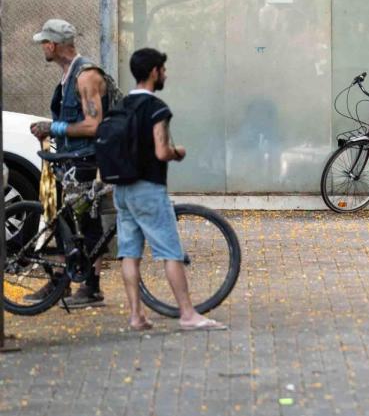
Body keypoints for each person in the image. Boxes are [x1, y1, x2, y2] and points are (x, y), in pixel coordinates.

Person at [114, 48, 227, 331]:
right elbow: (161, 151)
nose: (165, 74)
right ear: (154, 72)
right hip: (148, 189)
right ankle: (188, 314)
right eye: (163, 69)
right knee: (170, 252)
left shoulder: (121, 105)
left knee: (129, 253)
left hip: (122, 190)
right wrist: (179, 152)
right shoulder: (156, 108)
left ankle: (136, 316)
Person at [26, 19, 108, 308]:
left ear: (53, 44)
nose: (43, 48)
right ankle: (61, 281)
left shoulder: (85, 77)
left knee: (88, 222)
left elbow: (93, 125)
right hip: (69, 160)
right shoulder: (67, 76)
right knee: (63, 221)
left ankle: (91, 288)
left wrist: (54, 128)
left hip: (85, 161)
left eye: (44, 43)